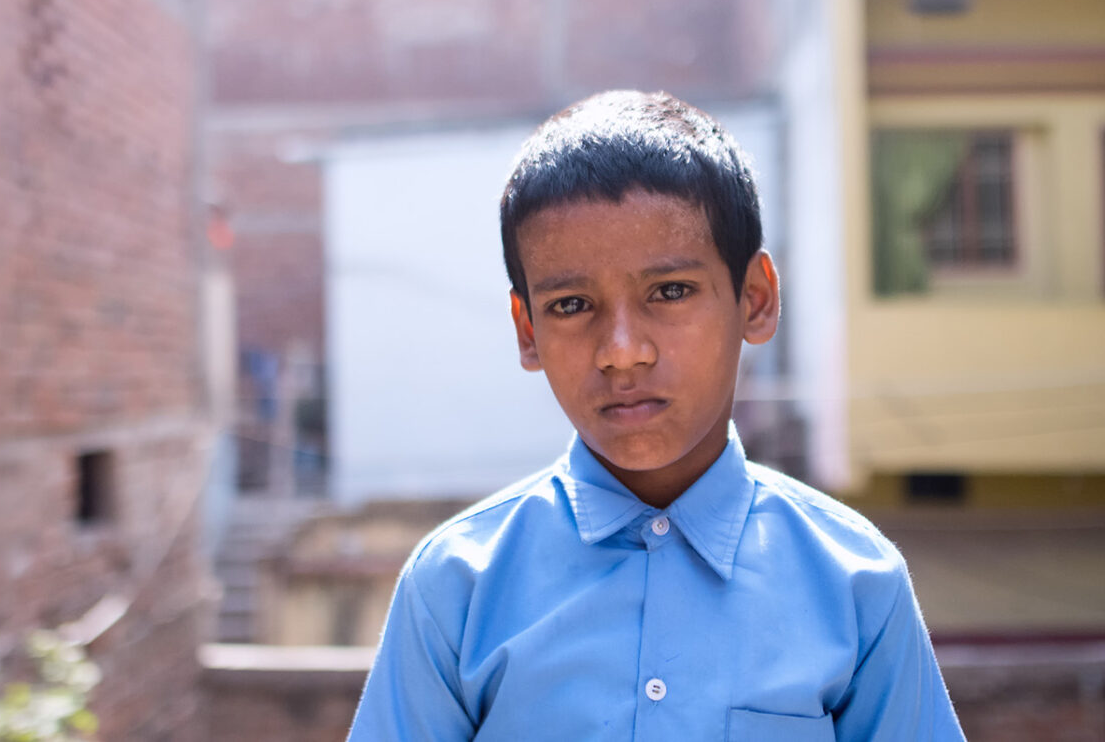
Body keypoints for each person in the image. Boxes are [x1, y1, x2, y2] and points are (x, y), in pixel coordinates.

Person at [347, 91, 965, 741]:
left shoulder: (854, 584)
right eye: (571, 305)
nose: (622, 352)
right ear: (527, 330)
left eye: (669, 292)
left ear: (754, 299)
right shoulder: (456, 587)